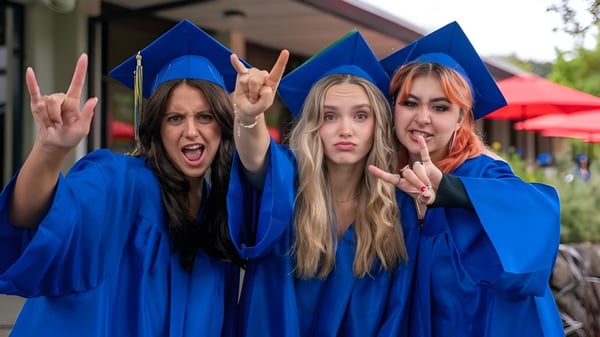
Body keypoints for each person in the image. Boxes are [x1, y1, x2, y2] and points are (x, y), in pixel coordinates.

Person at [0, 19, 246, 336]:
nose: (191, 131)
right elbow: (31, 218)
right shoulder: (119, 181)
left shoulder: (219, 212)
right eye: (175, 118)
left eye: (205, 116)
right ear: (157, 127)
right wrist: (49, 151)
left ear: (222, 126)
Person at [368, 21, 565, 336]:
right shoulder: (392, 181)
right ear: (394, 109)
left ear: (462, 117)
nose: (423, 117)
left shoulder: (484, 171)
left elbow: (537, 211)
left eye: (441, 107)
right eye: (410, 102)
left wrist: (449, 189)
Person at [227, 30, 414, 336]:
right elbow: (256, 157)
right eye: (329, 116)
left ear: (378, 126)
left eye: (361, 116)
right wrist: (249, 117)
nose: (345, 130)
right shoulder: (289, 180)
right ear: (314, 125)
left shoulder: (396, 207)